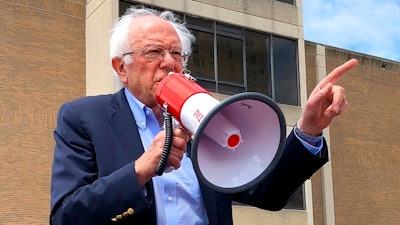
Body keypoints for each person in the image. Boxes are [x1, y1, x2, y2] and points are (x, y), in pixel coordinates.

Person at [50, 5, 358, 225]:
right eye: (154, 52)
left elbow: (268, 193)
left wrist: (309, 128)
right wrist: (140, 169)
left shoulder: (207, 118)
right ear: (121, 67)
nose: (169, 63)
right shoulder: (84, 118)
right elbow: (66, 216)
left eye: (176, 54)